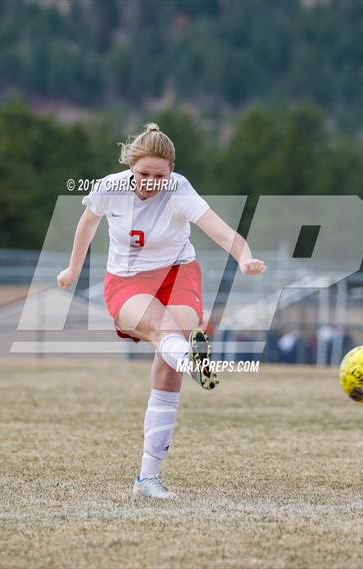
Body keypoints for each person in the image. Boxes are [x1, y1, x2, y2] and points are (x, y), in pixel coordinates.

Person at [57, 123, 266, 499]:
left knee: (171, 355)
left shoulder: (180, 190)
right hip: (127, 280)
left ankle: (147, 478)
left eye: (160, 176)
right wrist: (72, 269)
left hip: (179, 273)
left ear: (171, 172)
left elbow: (221, 231)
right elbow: (87, 223)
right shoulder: (110, 187)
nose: (152, 182)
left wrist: (246, 256)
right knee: (163, 330)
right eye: (144, 174)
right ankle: (194, 360)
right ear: (130, 167)